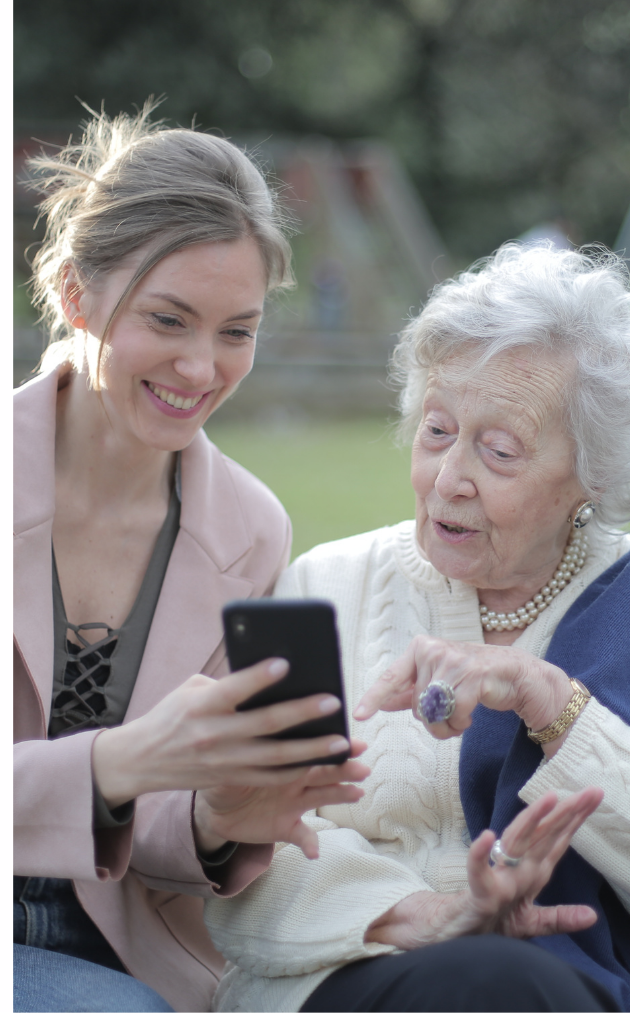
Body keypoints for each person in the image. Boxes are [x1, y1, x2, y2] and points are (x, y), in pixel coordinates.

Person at [204, 243, 630, 1013]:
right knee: (493, 983)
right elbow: (242, 841)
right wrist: (424, 915)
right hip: (346, 982)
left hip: (589, 995)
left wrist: (552, 702)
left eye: (498, 450)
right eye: (436, 430)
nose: (449, 477)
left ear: (594, 474)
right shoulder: (326, 586)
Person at [14, 105, 369, 1013]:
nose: (201, 368)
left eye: (237, 331)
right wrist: (115, 763)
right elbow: (129, 769)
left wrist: (218, 816)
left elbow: (164, 825)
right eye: (168, 319)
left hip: (132, 959)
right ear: (73, 293)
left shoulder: (251, 527)